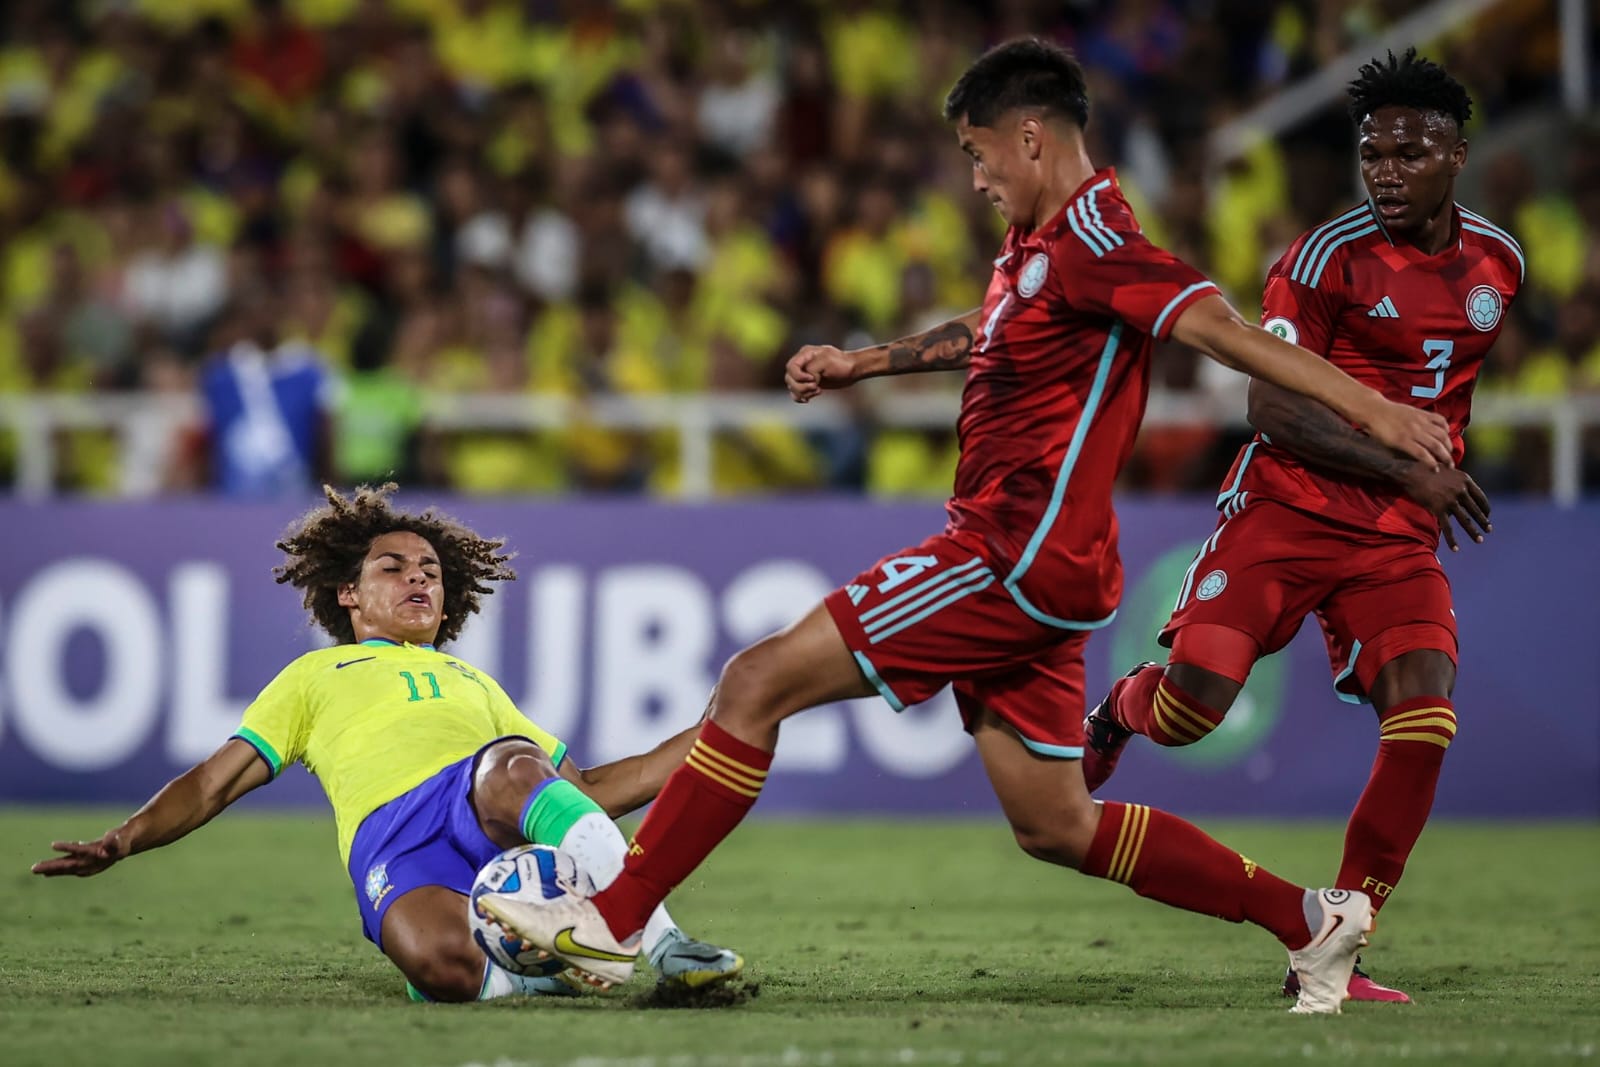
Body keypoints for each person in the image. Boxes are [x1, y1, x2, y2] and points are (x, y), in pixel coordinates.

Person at [473, 38, 1455, 1015]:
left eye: (980, 155)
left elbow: (1228, 334)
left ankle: (610, 920)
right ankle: (1312, 920)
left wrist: (1384, 414)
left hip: (1005, 555)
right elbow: (990, 332)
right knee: (1056, 823)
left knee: (754, 680)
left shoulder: (1105, 247)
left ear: (1030, 139)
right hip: (1045, 568)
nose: (977, 178)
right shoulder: (1043, 245)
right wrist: (869, 361)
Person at [1075, 49, 1521, 1004]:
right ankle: (1123, 706)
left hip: (1397, 532)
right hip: (1288, 505)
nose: (1387, 172)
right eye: (1373, 155)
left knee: (1426, 707)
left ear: (1457, 155)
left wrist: (1418, 481)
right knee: (1193, 709)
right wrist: (1411, 464)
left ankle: (1337, 937)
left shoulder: (1500, 265)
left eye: (1409, 153)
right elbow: (1272, 409)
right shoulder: (1322, 260)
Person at [32, 484, 743, 1003]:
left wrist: (725, 726)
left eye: (431, 571)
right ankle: (539, 970)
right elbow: (214, 781)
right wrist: (124, 839)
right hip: (395, 843)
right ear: (349, 593)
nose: (418, 578)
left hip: (477, 803)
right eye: (395, 568)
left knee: (509, 763)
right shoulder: (315, 675)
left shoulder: (472, 680)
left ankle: (663, 941)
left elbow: (583, 791)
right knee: (436, 965)